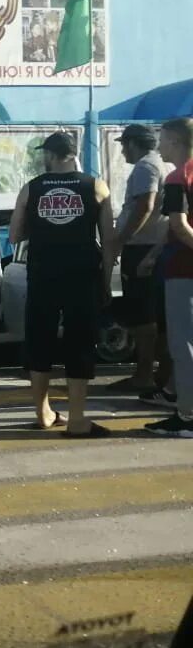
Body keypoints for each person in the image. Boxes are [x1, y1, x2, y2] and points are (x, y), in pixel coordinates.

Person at [9, 132, 115, 437]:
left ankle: (43, 413)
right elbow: (108, 240)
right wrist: (106, 281)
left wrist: (39, 225)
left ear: (51, 155)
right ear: (73, 153)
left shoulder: (32, 188)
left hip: (43, 273)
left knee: (39, 339)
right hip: (82, 274)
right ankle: (78, 418)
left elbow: (15, 235)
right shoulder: (96, 186)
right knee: (80, 341)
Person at [108, 124, 171, 392]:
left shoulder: (146, 166)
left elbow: (145, 204)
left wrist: (121, 240)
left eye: (124, 145)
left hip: (142, 248)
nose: (122, 151)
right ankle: (160, 374)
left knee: (143, 318)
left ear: (134, 143)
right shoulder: (164, 165)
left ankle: (144, 374)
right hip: (153, 246)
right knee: (156, 316)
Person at [145, 117, 193, 438]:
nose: (159, 146)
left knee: (183, 346)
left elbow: (178, 224)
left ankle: (187, 417)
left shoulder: (178, 177)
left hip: (183, 271)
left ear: (175, 142)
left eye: (162, 140)